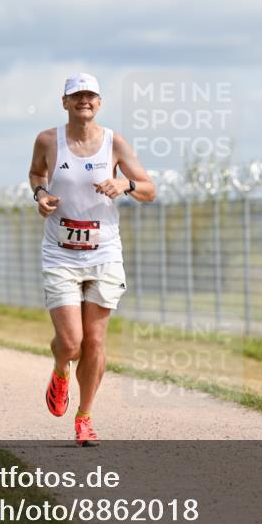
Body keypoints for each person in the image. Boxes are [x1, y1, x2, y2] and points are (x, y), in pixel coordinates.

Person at [28, 73, 156, 446]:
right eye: (76, 95)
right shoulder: (48, 140)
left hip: (103, 252)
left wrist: (125, 185)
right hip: (60, 252)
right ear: (65, 102)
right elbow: (37, 172)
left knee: (95, 341)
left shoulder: (114, 143)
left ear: (99, 103)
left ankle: (84, 417)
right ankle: (60, 370)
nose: (84, 100)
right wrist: (40, 194)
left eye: (91, 96)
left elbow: (150, 189)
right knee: (71, 343)